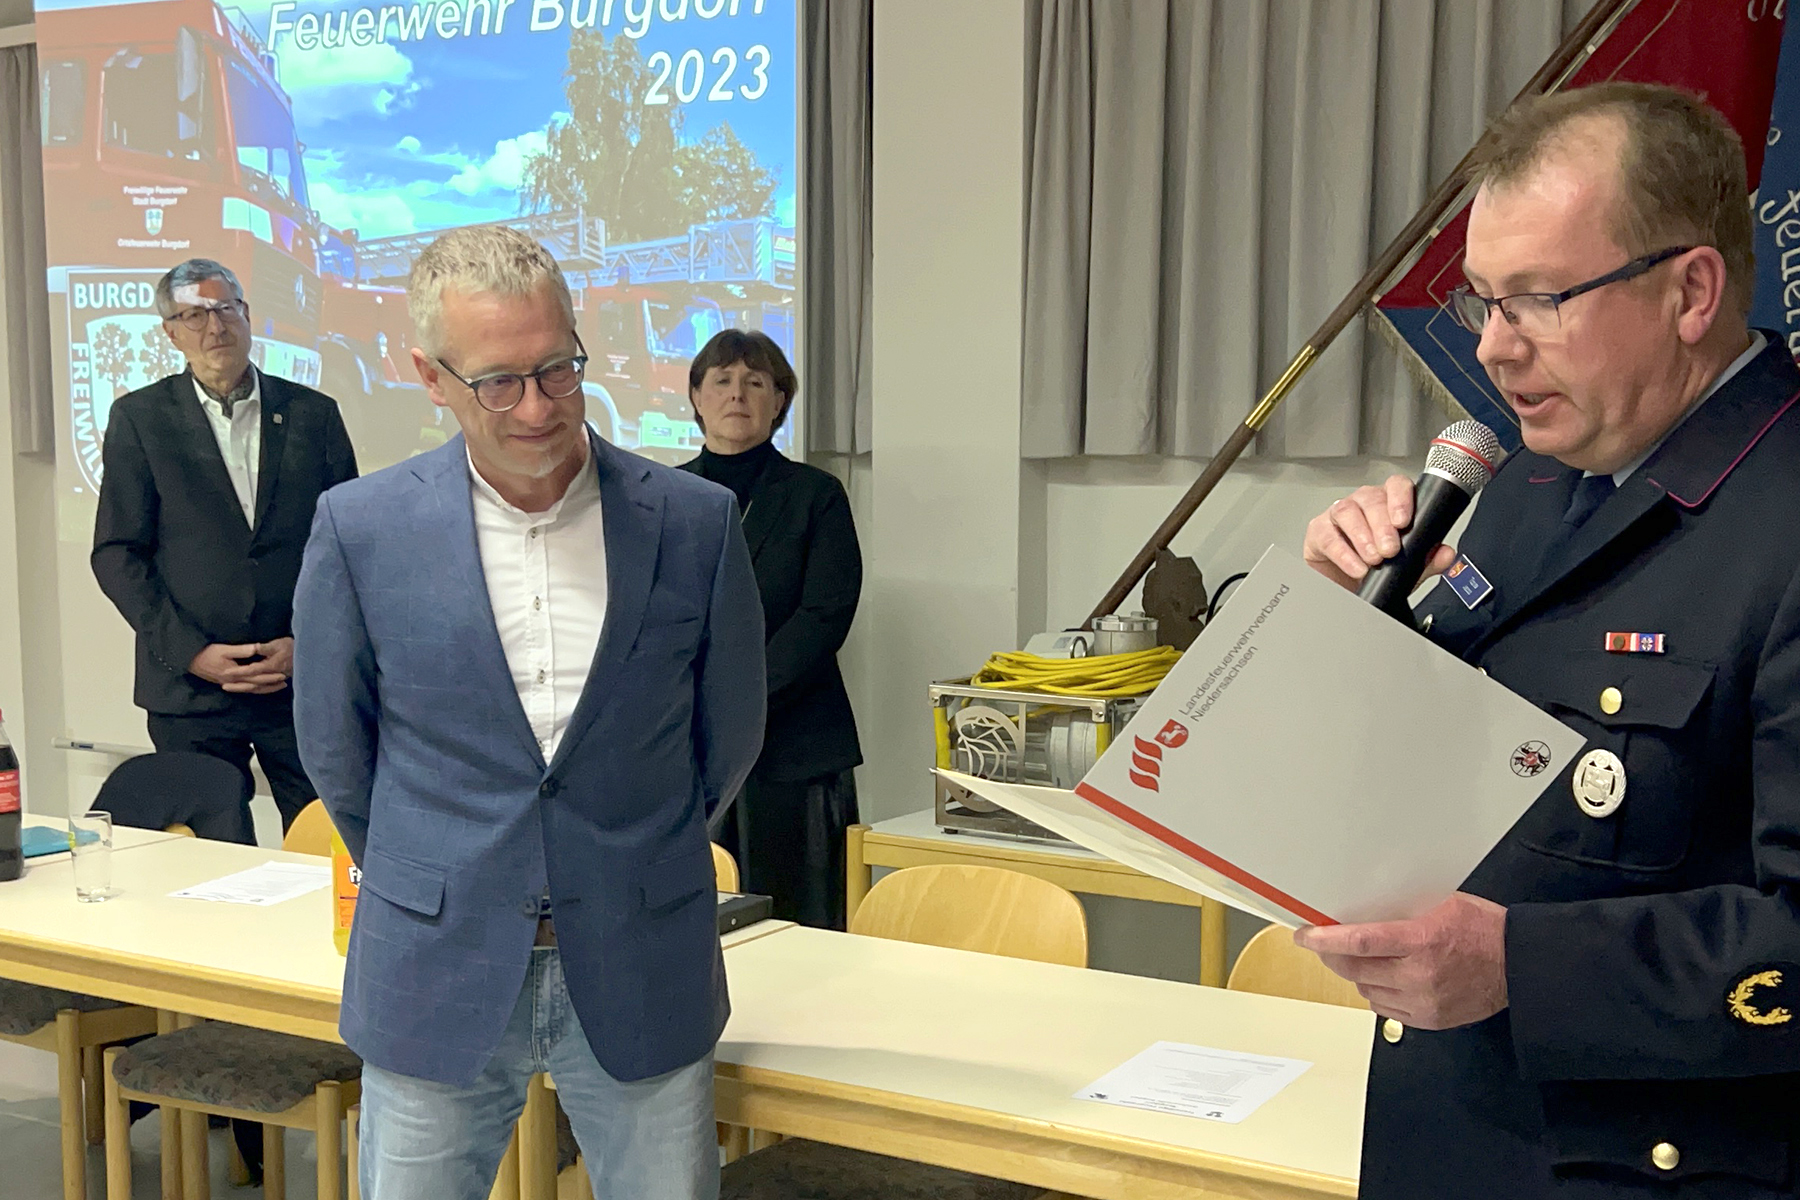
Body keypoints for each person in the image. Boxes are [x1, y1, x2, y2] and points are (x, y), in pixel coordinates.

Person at [1295, 83, 1800, 1197]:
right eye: (1482, 301)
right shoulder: (1529, 485)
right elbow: (1459, 775)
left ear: (1691, 291)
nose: (1494, 349)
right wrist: (1348, 624)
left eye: (1537, 300)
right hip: (1447, 1137)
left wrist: (1521, 970)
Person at [292, 225, 765, 1200]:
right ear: (430, 377)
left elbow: (728, 735)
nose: (539, 407)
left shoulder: (692, 522)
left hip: (642, 953)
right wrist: (439, 867)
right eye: (498, 382)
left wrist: (629, 853)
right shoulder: (362, 528)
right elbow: (337, 749)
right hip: (435, 958)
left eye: (557, 369)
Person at [92, 258, 357, 837]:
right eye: (194, 316)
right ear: (171, 333)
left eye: (224, 309)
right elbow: (116, 553)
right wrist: (191, 653)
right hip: (192, 691)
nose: (214, 327)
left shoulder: (314, 415)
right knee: (211, 858)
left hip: (298, 680)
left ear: (246, 314)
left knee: (334, 842)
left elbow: (348, 550)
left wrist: (308, 644)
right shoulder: (140, 419)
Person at [679, 329, 863, 929]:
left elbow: (824, 615)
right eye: (723, 380)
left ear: (779, 401)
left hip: (795, 748)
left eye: (755, 382)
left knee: (799, 921)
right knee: (693, 920)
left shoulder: (816, 495)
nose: (738, 394)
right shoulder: (663, 498)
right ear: (697, 397)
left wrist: (737, 696)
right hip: (685, 745)